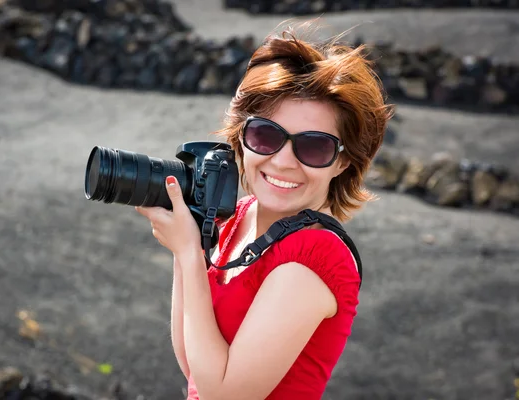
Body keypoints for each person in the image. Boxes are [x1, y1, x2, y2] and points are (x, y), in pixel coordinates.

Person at [135, 21, 394, 400]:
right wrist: (186, 244)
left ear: (343, 162)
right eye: (266, 135)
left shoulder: (314, 258)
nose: (284, 161)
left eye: (315, 147)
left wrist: (191, 254)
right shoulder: (239, 216)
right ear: (241, 136)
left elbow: (225, 394)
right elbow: (194, 367)